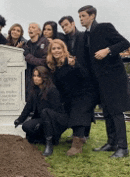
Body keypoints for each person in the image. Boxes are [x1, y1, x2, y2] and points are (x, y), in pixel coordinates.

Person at [78, 5, 130, 158]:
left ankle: (123, 148)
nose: (80, 19)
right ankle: (111, 143)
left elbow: (125, 43)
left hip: (114, 79)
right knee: (107, 111)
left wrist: (107, 50)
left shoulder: (105, 27)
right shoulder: (86, 35)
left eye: (83, 16)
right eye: (79, 16)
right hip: (100, 82)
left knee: (116, 112)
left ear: (92, 16)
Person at [47, 39, 98, 156]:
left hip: (85, 93)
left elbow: (84, 75)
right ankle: (80, 137)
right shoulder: (54, 66)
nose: (56, 51)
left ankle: (77, 146)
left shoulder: (70, 61)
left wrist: (75, 66)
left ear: (63, 49)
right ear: (50, 51)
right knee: (70, 112)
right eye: (53, 49)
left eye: (59, 48)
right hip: (71, 96)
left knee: (78, 112)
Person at [58, 15, 98, 139]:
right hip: (73, 76)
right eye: (62, 26)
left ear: (72, 23)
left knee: (86, 107)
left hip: (86, 74)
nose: (64, 28)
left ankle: (85, 134)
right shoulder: (65, 39)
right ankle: (78, 133)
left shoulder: (83, 36)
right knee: (75, 105)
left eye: (66, 25)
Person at [14, 66, 68, 156]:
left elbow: (56, 110)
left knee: (45, 112)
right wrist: (19, 120)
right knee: (26, 126)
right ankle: (44, 139)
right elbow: (28, 107)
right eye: (34, 76)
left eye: (38, 76)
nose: (35, 78)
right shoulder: (35, 90)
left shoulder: (52, 90)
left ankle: (49, 144)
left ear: (44, 77)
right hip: (43, 118)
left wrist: (43, 121)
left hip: (55, 119)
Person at [23, 23, 49, 100]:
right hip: (29, 78)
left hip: (41, 78)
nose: (30, 29)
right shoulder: (27, 44)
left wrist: (28, 57)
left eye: (33, 27)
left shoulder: (45, 43)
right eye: (29, 28)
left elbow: (44, 62)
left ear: (39, 31)